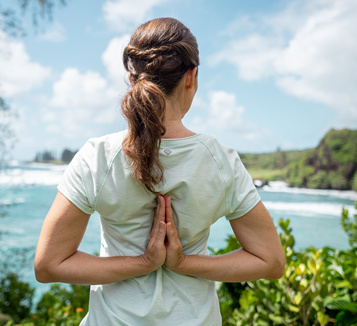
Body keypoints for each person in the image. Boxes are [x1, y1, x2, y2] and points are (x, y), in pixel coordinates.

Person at [35, 17, 285, 325]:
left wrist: (142, 264)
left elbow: (49, 265)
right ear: (191, 77)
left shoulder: (98, 156)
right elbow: (271, 261)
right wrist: (182, 263)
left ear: (132, 77)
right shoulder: (220, 160)